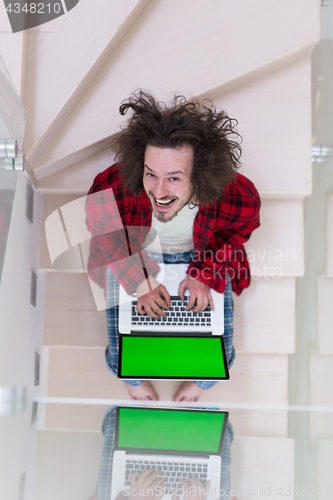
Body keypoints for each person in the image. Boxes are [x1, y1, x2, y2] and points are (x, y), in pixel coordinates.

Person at [86, 91, 260, 401]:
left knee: (220, 352)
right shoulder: (114, 184)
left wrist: (204, 272)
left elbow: (239, 228)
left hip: (202, 252)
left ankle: (201, 382)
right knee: (121, 353)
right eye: (150, 173)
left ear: (201, 175)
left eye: (174, 178)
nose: (158, 191)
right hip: (135, 250)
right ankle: (134, 380)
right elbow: (102, 230)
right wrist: (137, 276)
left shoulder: (236, 193)